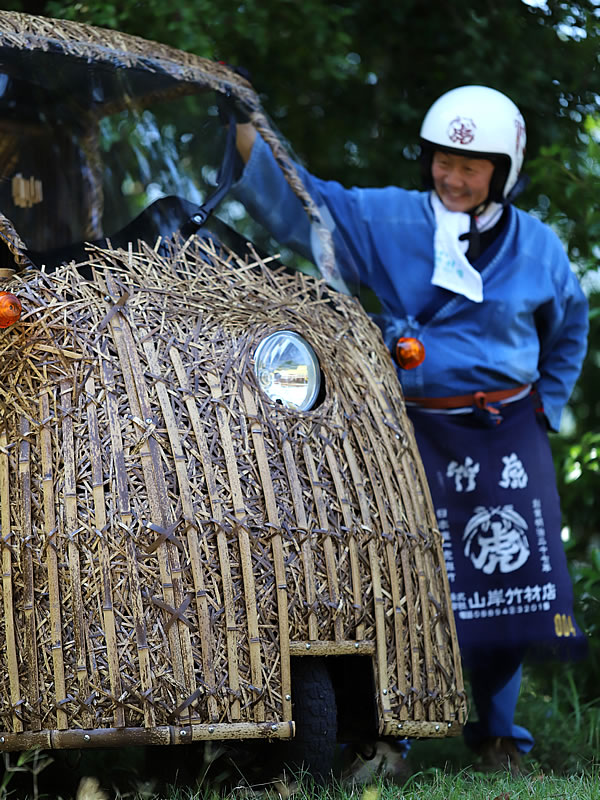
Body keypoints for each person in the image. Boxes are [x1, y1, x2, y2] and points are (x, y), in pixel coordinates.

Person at [230, 85, 589, 773]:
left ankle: (498, 735)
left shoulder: (539, 248)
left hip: (506, 427)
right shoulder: (389, 220)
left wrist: (549, 399)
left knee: (506, 584)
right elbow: (308, 203)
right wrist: (245, 127)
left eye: (472, 166)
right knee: (402, 578)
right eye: (442, 161)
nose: (452, 177)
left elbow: (571, 323)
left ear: (503, 172)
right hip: (414, 429)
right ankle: (388, 733)